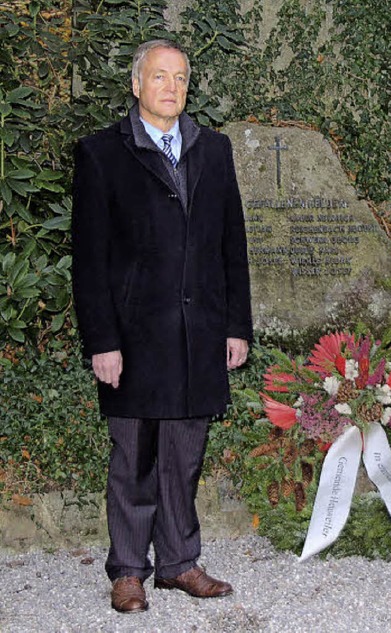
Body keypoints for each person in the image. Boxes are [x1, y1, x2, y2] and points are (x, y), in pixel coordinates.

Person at [72, 39, 252, 613]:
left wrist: (235, 326)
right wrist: (102, 340)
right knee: (134, 458)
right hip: (134, 338)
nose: (170, 87)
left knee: (185, 454)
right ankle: (128, 569)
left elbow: (232, 246)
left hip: (199, 334)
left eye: (179, 77)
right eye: (159, 77)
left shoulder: (213, 149)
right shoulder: (102, 154)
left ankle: (179, 563)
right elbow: (89, 259)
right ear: (136, 85)